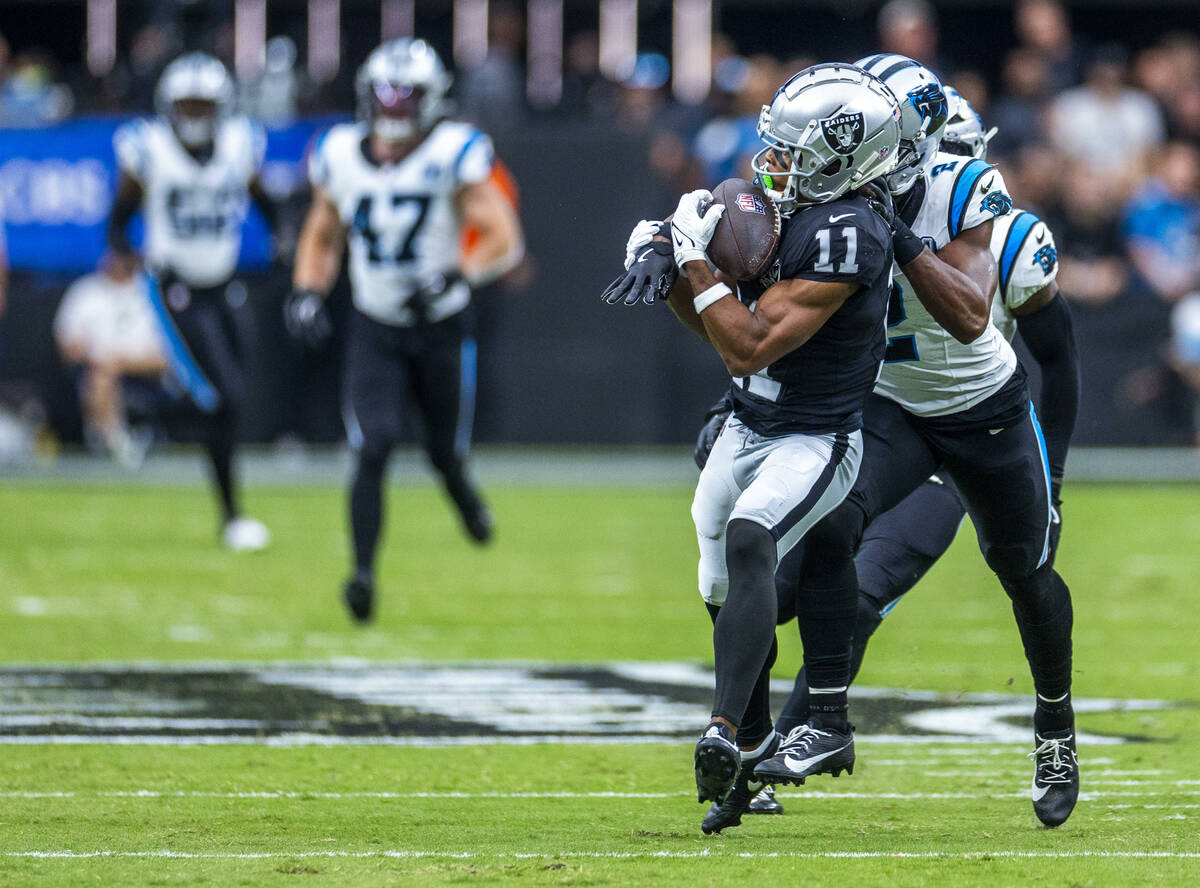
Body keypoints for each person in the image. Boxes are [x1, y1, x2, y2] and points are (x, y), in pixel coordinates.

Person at [752, 55, 1079, 830]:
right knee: (809, 549)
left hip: (984, 415)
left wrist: (1054, 475)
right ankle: (791, 734)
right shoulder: (820, 200)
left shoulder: (968, 195)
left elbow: (980, 322)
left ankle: (1056, 732)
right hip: (890, 410)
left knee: (1026, 574)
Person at [605, 63, 902, 834]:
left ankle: (720, 733)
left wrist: (694, 259)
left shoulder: (851, 231)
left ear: (847, 157)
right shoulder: (771, 202)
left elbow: (751, 345)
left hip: (817, 435)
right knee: (721, 588)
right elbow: (713, 326)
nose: (774, 162)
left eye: (795, 149)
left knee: (750, 538)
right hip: (746, 423)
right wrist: (668, 267)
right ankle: (752, 750)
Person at [288, 39, 523, 624]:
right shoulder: (339, 153)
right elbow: (323, 232)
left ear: (433, 98)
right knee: (374, 444)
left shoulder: (453, 151)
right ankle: (362, 575)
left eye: (406, 94)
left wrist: (455, 277)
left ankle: (464, 497)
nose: (393, 107)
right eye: (384, 94)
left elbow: (502, 237)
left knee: (443, 450)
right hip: (376, 325)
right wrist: (308, 291)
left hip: (439, 326)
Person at [108, 51, 276, 552]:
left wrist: (284, 234)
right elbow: (119, 218)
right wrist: (128, 257)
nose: (197, 115)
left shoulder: (241, 143)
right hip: (175, 286)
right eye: (189, 105)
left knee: (232, 396)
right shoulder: (148, 147)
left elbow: (262, 199)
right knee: (222, 396)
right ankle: (231, 517)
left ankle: (148, 420)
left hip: (224, 283)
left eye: (205, 105)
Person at [53, 252, 169, 467]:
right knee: (102, 375)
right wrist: (97, 357)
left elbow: (167, 358)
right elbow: (67, 346)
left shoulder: (151, 294)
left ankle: (110, 441)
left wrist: (120, 362)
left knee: (108, 369)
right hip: (95, 370)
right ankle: (115, 442)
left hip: (144, 373)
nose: (117, 261)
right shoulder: (85, 291)